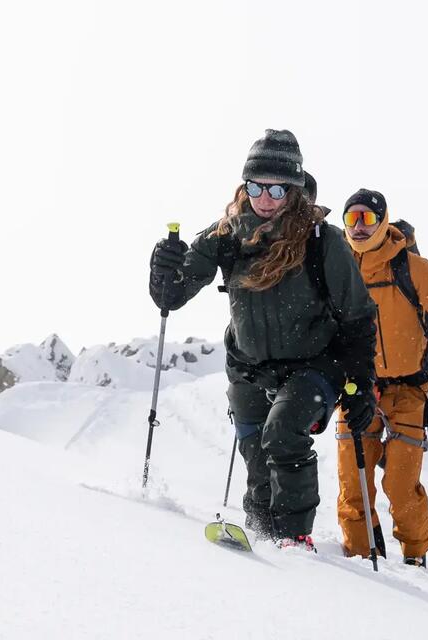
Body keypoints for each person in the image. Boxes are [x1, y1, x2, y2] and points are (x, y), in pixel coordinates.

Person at [148, 130, 380, 549]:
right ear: (245, 186)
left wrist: (362, 383)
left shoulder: (321, 240)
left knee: (283, 434)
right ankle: (260, 539)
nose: (265, 199)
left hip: (314, 365)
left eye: (276, 189)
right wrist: (162, 268)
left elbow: (359, 316)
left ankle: (293, 538)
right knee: (256, 456)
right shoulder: (226, 235)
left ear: (293, 190)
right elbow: (172, 296)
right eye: (256, 187)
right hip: (249, 367)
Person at [331, 188, 428, 567]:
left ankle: (415, 557)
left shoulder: (411, 267)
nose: (359, 227)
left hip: (407, 390)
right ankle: (361, 561)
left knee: (400, 486)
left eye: (367, 218)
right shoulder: (337, 269)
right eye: (352, 219)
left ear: (383, 222)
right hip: (356, 389)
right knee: (353, 486)